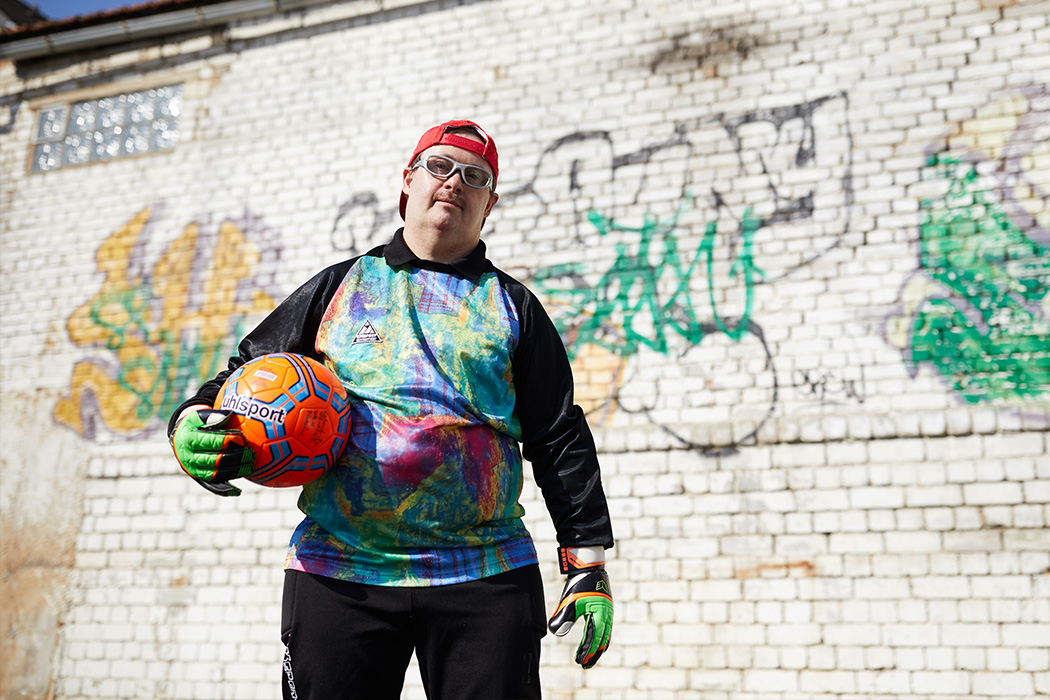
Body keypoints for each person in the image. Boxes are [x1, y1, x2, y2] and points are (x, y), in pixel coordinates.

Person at [168, 120, 615, 699]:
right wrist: (189, 422)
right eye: (440, 166)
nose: (455, 182)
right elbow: (243, 372)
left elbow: (559, 436)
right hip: (340, 571)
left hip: (484, 577)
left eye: (475, 176)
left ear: (490, 204)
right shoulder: (341, 286)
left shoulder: (515, 307)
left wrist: (588, 563)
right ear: (408, 182)